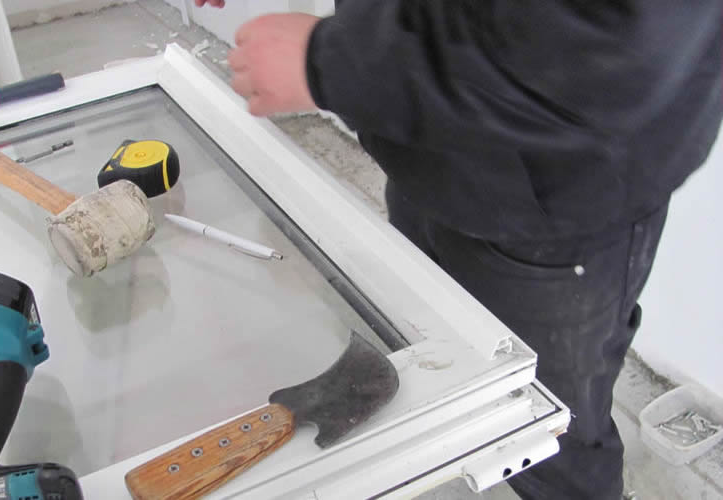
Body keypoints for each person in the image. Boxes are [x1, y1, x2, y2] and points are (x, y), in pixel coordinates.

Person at [197, 1, 722, 498]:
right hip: (435, 141)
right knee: (429, 337)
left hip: (556, 205)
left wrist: (330, 64)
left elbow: (613, 47)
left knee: (548, 418)